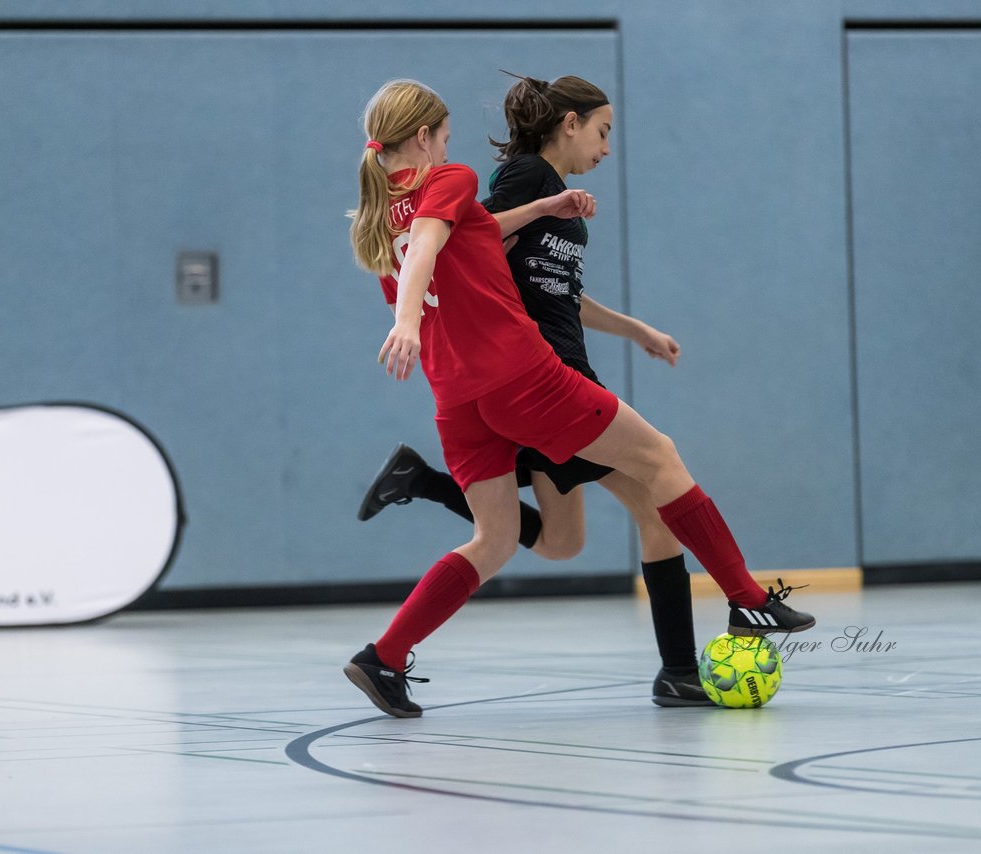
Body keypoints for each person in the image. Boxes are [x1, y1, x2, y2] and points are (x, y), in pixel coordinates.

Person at [344, 79, 813, 719]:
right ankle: (744, 595)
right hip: (522, 376)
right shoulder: (445, 180)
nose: (451, 149)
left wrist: (541, 211)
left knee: (497, 540)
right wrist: (402, 322)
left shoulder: (375, 221)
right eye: (446, 137)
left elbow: (467, 236)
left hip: (456, 400)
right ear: (424, 138)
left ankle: (384, 656)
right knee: (661, 460)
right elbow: (431, 241)